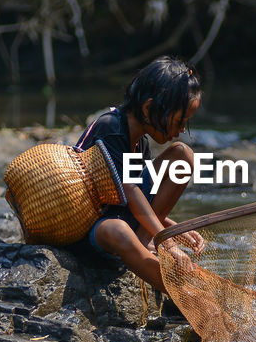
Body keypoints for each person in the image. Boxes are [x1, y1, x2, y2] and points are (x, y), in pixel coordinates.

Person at [74, 56, 204, 291]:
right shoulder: (111, 129)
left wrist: (174, 228)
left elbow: (133, 201)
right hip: (91, 225)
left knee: (181, 156)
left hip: (119, 213)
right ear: (148, 108)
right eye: (179, 120)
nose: (182, 129)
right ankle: (185, 294)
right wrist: (169, 242)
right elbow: (130, 193)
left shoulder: (139, 142)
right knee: (119, 230)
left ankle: (144, 242)